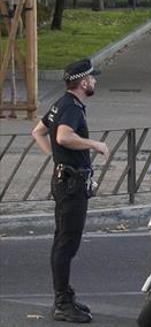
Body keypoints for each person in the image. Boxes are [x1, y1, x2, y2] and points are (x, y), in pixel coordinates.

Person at [31, 59, 109, 323]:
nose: (95, 82)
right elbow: (63, 136)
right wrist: (94, 144)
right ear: (83, 82)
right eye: (92, 79)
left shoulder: (60, 103)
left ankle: (65, 295)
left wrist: (57, 159)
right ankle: (62, 303)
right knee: (67, 244)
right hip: (71, 185)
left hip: (66, 180)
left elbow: (38, 132)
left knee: (63, 240)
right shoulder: (72, 108)